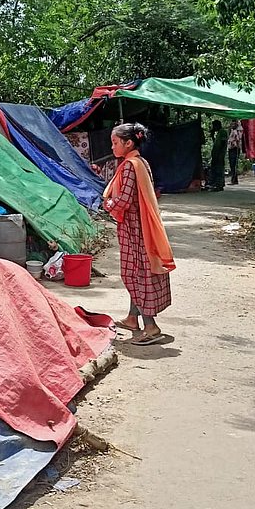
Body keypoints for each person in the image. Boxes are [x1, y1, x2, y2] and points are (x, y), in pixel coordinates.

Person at [102, 123, 176, 345]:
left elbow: (124, 200)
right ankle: (132, 319)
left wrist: (107, 203)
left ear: (128, 143)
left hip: (134, 229)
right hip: (141, 227)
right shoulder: (141, 162)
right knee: (139, 271)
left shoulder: (129, 166)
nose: (112, 147)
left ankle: (151, 327)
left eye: (115, 142)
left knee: (135, 275)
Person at [205, 119, 228, 191]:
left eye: (214, 126)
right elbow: (216, 143)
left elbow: (223, 143)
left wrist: (219, 153)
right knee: (214, 169)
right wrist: (212, 135)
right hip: (216, 154)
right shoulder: (218, 133)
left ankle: (219, 184)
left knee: (219, 169)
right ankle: (215, 184)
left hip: (219, 155)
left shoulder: (223, 132)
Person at [227, 120, 244, 185]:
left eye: (234, 123)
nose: (232, 124)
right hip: (231, 148)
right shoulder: (232, 130)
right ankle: (234, 179)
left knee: (234, 164)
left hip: (235, 148)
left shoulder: (238, 130)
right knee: (232, 164)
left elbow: (238, 138)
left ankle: (234, 180)